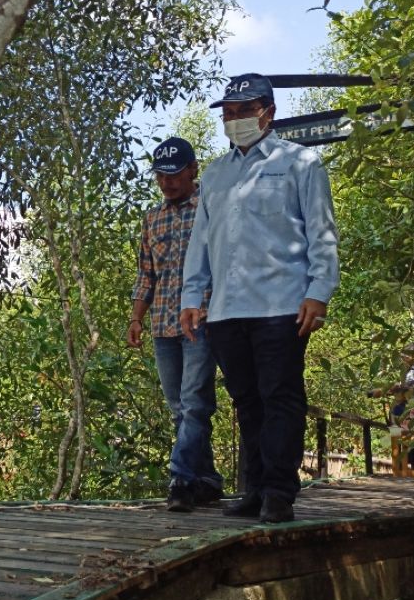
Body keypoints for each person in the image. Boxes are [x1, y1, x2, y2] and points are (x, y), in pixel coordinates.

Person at [180, 73, 339, 524]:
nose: (233, 121)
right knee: (246, 401)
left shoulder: (302, 163)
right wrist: (192, 296)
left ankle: (279, 493)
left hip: (282, 305)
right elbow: (201, 242)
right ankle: (254, 488)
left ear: (266, 112)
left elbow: (321, 233)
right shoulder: (215, 174)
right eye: (228, 114)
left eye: (242, 112)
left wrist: (319, 292)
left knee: (280, 397)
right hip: (228, 310)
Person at [128, 136, 223, 512]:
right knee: (180, 408)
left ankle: (180, 477)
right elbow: (145, 275)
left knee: (195, 403)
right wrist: (136, 317)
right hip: (161, 325)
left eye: (174, 174)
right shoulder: (152, 218)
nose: (167, 183)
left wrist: (209, 306)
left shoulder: (210, 207)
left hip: (201, 320)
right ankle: (208, 480)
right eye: (160, 176)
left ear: (192, 170)